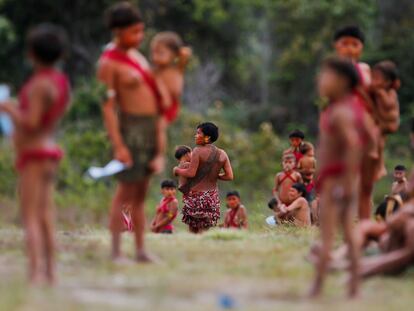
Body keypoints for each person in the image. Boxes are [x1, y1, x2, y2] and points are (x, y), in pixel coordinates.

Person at [0, 24, 70, 285]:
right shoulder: (59, 81)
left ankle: (34, 273)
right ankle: (50, 272)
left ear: (31, 54)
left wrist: (9, 108)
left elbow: (30, 122)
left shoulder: (38, 85)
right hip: (48, 151)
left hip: (34, 155)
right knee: (45, 215)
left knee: (29, 215)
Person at [97, 2, 167, 262]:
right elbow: (107, 107)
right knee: (124, 193)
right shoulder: (108, 63)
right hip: (130, 131)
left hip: (150, 129)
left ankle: (140, 250)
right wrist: (119, 145)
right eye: (133, 32)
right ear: (118, 31)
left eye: (141, 32)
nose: (139, 38)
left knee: (140, 194)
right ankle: (116, 252)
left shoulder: (137, 57)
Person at [309, 57, 364, 298]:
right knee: (348, 236)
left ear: (342, 81)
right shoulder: (347, 107)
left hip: (336, 182)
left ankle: (317, 287)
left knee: (327, 234)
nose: (320, 80)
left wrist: (345, 183)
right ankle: (354, 288)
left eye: (326, 76)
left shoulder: (340, 112)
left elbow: (354, 145)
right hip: (341, 181)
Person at [333, 25, 380, 219]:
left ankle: (364, 222)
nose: (350, 48)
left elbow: (372, 97)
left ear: (361, 48)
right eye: (345, 44)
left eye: (355, 44)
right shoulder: (333, 70)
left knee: (365, 180)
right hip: (342, 129)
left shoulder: (364, 69)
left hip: (364, 126)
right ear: (336, 46)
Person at [174, 122, 233, 233]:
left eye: (198, 133)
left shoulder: (197, 151)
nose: (196, 136)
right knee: (205, 229)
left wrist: (177, 170)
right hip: (212, 197)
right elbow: (229, 176)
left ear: (207, 137)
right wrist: (215, 175)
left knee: (193, 230)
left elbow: (191, 173)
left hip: (196, 197)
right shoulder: (222, 154)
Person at [151, 31, 192, 123]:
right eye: (153, 52)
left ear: (173, 54)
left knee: (160, 126)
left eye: (160, 53)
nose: (155, 57)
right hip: (160, 106)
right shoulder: (157, 70)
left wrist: (178, 51)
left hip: (170, 108)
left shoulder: (177, 68)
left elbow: (186, 53)